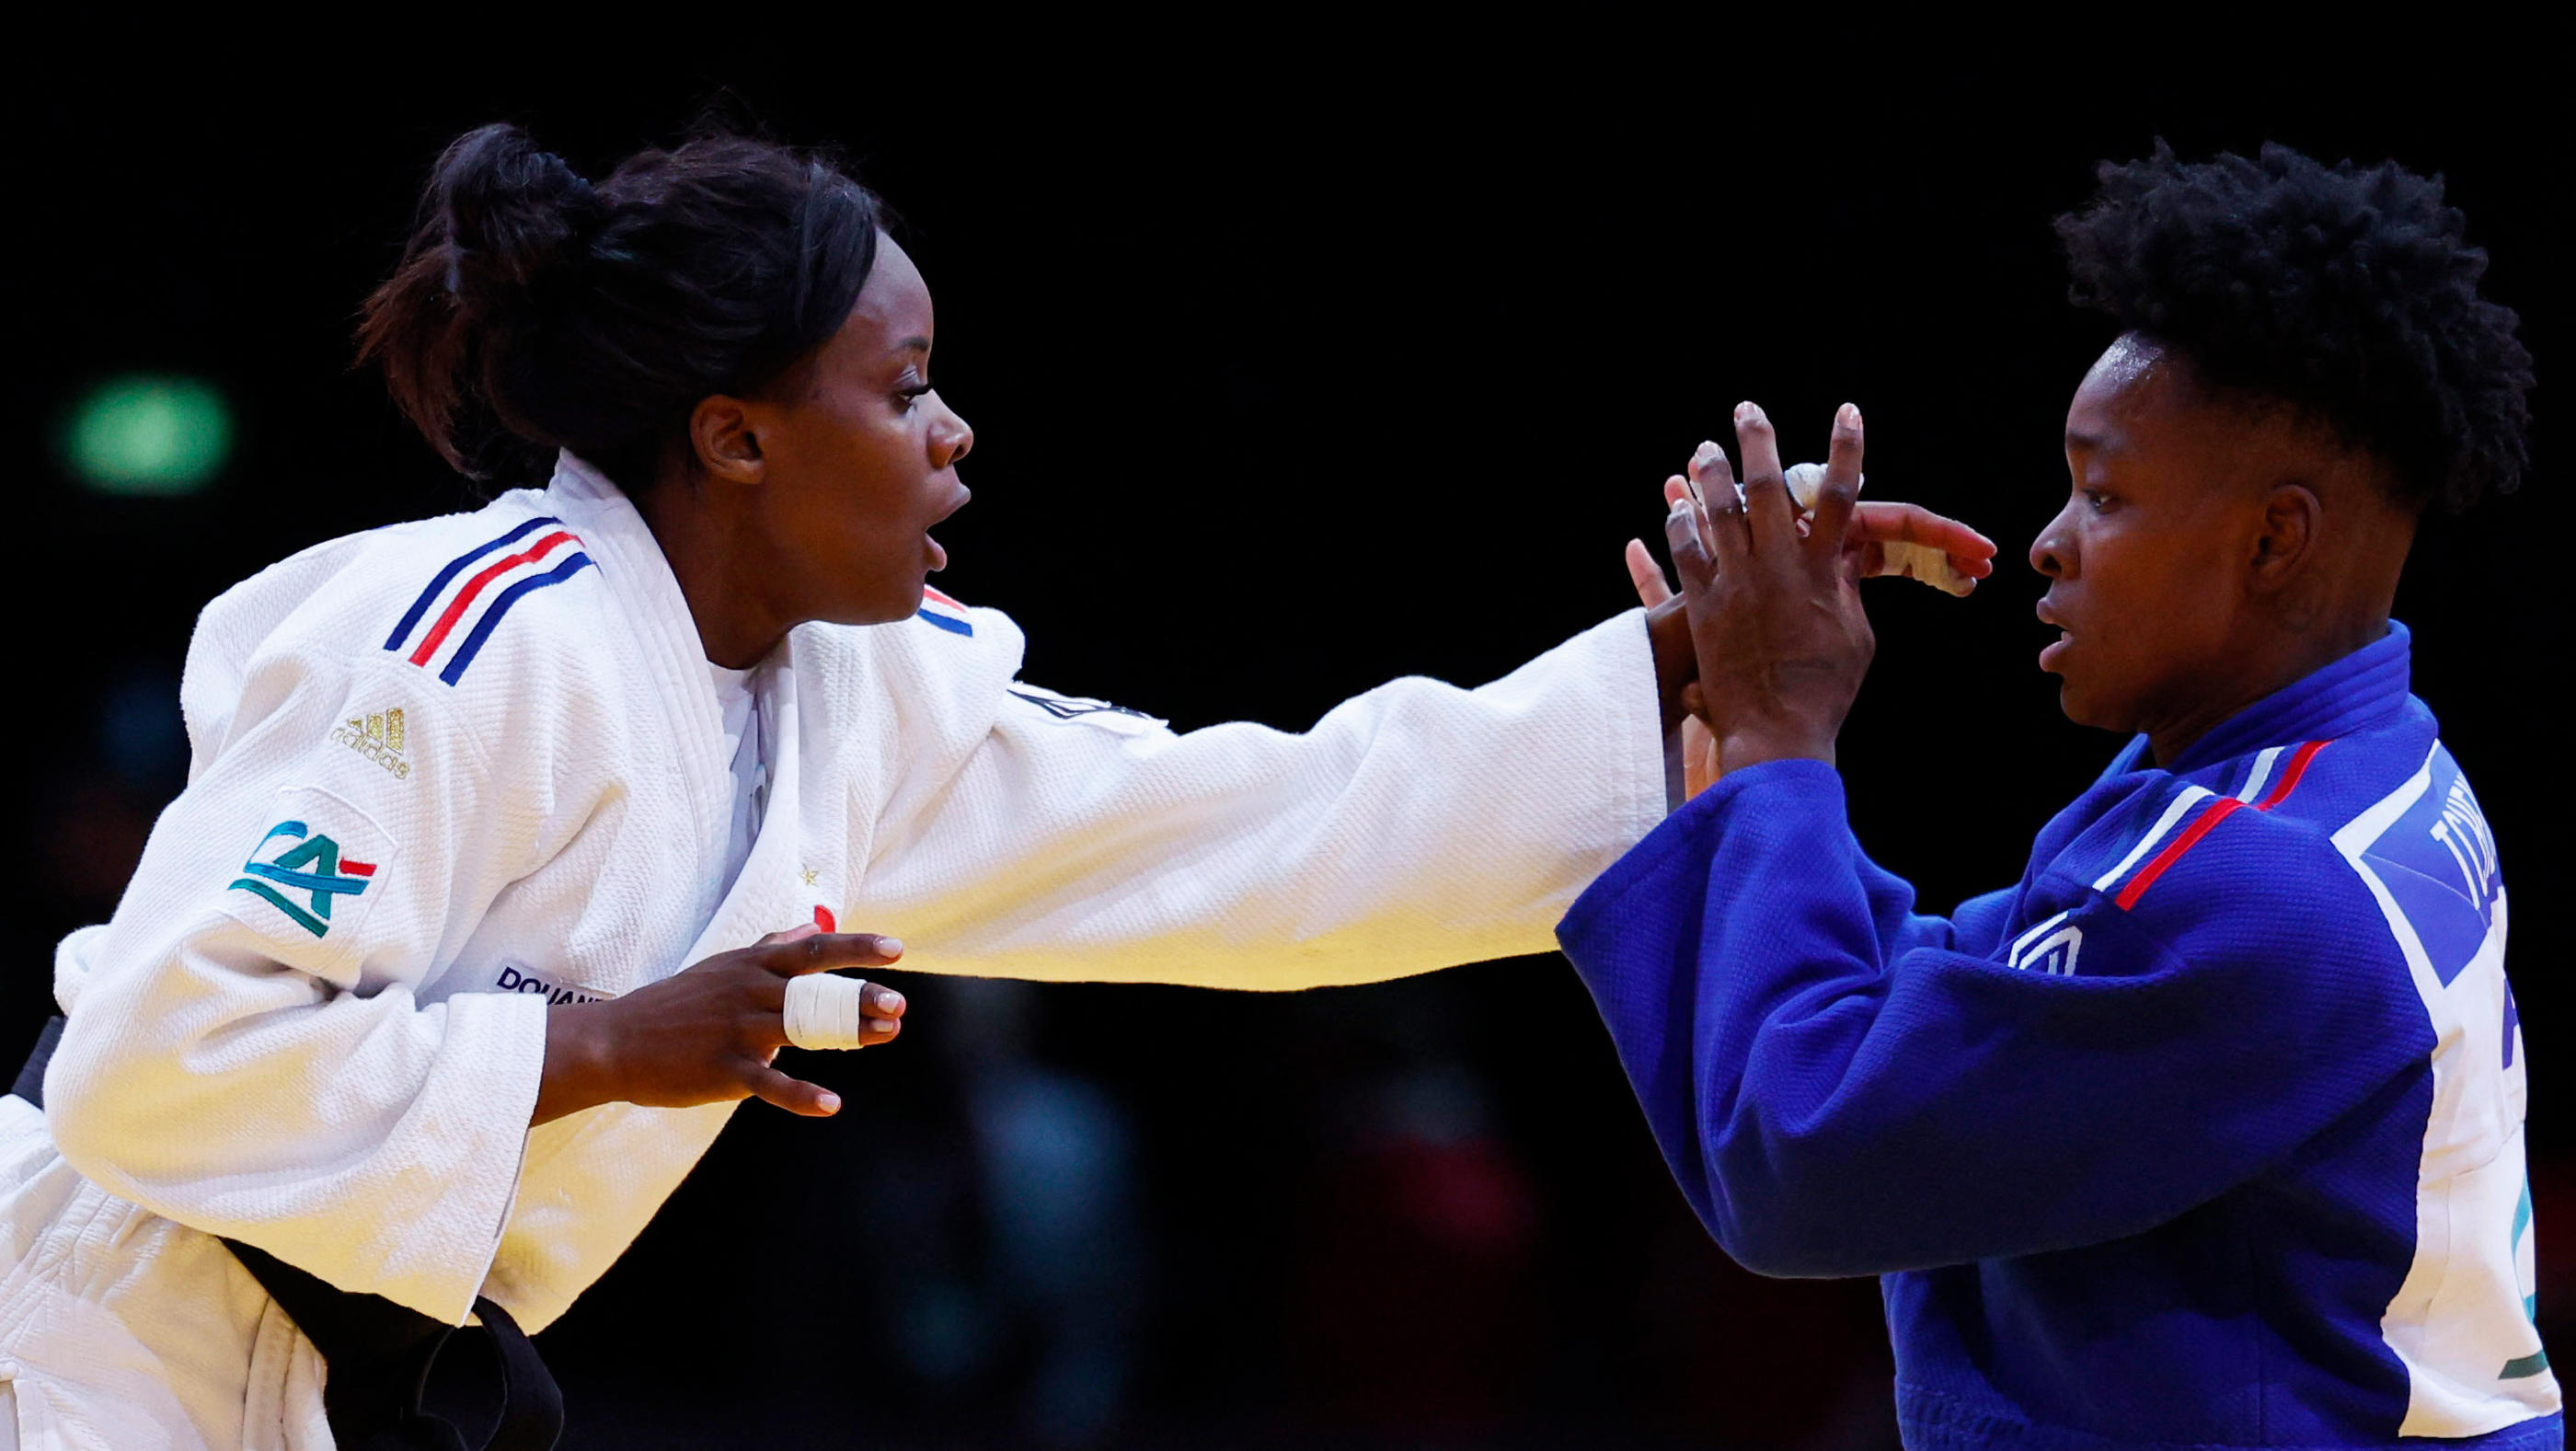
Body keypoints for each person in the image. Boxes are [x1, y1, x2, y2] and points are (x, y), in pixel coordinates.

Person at [0, 125, 1990, 1449]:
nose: (953, 435)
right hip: (93, 1338)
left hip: (357, 1379)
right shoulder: (458, 638)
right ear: (738, 439)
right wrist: (606, 1046)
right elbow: (153, 1064)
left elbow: (1260, 837)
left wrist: (1680, 662)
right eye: (903, 385)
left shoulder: (866, 707)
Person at [1576, 143, 2548, 1448]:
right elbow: (1962, 998)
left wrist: (1780, 741)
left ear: (2275, 538)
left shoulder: (2256, 883)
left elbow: (1801, 1153)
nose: (2049, 539)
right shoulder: (2359, 772)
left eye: (2105, 492)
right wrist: (1749, 772)